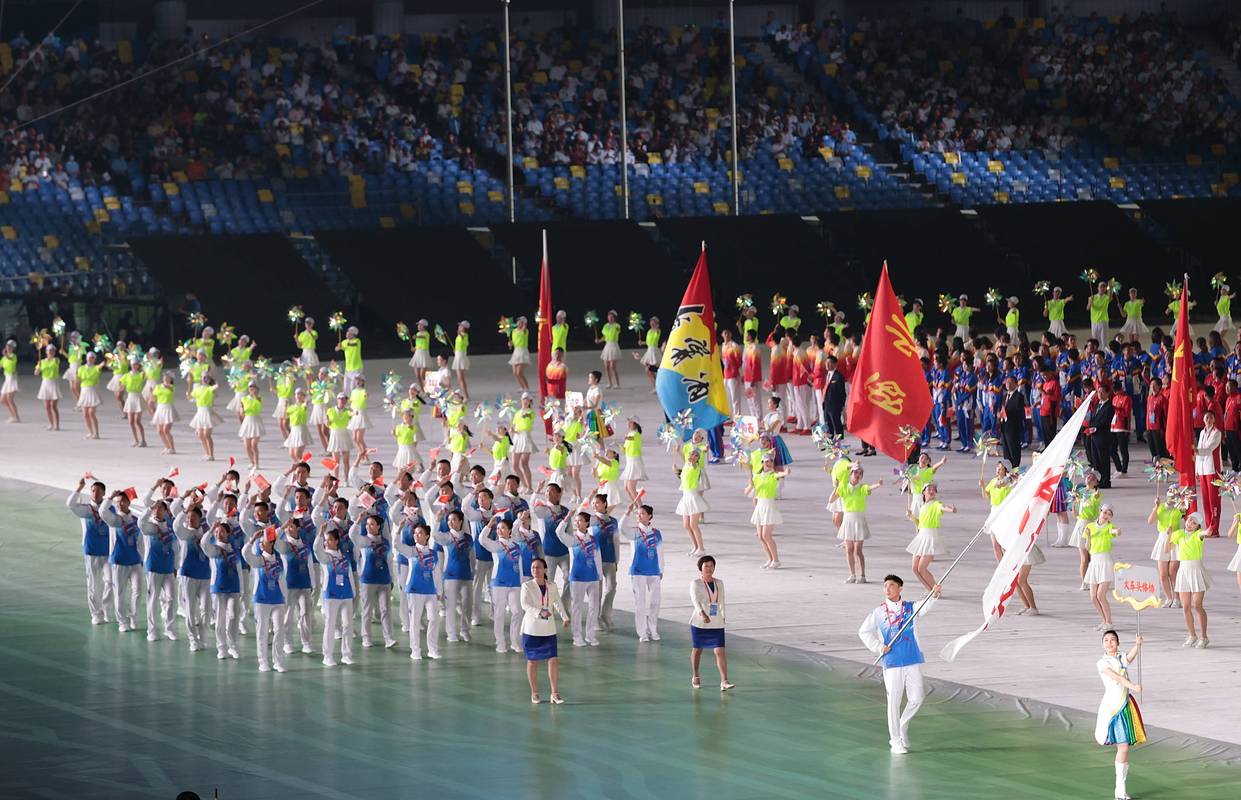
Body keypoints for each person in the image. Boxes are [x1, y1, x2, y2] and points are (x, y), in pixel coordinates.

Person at [858, 575, 941, 755]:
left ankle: (903, 724)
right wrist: (879, 647)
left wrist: (934, 595)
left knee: (917, 697)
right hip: (892, 662)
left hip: (912, 659)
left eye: (892, 585)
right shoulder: (879, 612)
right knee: (893, 702)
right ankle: (895, 741)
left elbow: (924, 606)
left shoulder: (910, 608)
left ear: (900, 588)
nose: (887, 589)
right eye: (885, 586)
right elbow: (863, 632)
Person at [1095, 630, 1146, 800]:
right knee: (1123, 747)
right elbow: (1117, 677)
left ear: (1117, 643)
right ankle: (1120, 791)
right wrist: (1133, 686)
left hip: (1124, 705)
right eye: (1106, 640)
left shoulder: (1119, 657)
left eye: (1113, 640)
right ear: (1103, 644)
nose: (1109, 643)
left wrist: (1137, 646)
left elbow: (1129, 659)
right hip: (1113, 707)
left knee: (1124, 748)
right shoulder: (1102, 663)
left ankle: (1121, 790)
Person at [520, 558, 570, 704]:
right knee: (532, 661)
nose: (535, 570)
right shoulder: (526, 586)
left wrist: (565, 617)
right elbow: (525, 605)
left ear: (545, 569)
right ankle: (534, 693)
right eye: (533, 567)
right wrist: (539, 612)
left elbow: (557, 602)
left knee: (553, 660)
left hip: (548, 629)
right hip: (532, 629)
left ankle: (554, 693)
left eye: (538, 567)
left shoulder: (552, 585)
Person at [242, 526, 289, 672]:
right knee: (262, 631)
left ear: (272, 542)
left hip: (278, 600)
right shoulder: (258, 560)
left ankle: (278, 661)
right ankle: (263, 661)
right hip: (262, 599)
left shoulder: (280, 561)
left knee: (279, 630)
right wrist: (252, 539)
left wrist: (285, 599)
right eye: (261, 542)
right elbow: (245, 553)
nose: (261, 543)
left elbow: (283, 581)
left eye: (264, 541)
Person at [556, 502, 603, 647]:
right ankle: (577, 636)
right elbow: (559, 532)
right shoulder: (573, 539)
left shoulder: (593, 540)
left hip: (593, 578)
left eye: (580, 520)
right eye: (576, 521)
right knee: (577, 607)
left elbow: (597, 558)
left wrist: (600, 576)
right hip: (577, 578)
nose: (577, 522)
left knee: (594, 607)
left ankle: (590, 635)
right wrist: (567, 517)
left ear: (587, 523)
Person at [67, 477, 113, 624]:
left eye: (98, 491)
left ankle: (106, 608)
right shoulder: (86, 509)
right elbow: (71, 504)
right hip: (91, 551)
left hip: (107, 552)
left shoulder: (109, 509)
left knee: (111, 582)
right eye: (93, 490)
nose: (95, 493)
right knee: (93, 584)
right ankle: (95, 613)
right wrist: (79, 488)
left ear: (104, 493)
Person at [617, 500, 664, 642]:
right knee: (640, 603)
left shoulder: (656, 533)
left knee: (655, 602)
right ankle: (642, 632)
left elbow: (660, 552)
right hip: (638, 571)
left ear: (649, 516)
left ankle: (653, 629)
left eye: (642, 513)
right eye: (637, 513)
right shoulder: (634, 532)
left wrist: (661, 569)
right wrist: (627, 513)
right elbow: (621, 528)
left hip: (654, 570)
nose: (639, 515)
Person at [829, 463, 882, 584]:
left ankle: (862, 575)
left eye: (860, 473)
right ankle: (852, 574)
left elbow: (870, 488)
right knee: (849, 549)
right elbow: (831, 500)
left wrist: (878, 484)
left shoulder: (862, 488)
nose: (857, 475)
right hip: (848, 520)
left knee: (858, 550)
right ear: (851, 474)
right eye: (855, 473)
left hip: (859, 519)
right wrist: (836, 487)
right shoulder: (843, 488)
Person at [199, 521, 243, 660]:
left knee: (233, 616)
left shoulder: (234, 551)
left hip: (234, 587)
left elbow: (239, 571)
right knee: (220, 619)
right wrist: (211, 529)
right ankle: (222, 648)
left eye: (222, 531)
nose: (219, 534)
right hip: (218, 588)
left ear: (228, 533)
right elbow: (203, 543)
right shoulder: (214, 549)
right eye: (217, 532)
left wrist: (241, 589)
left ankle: (233, 646)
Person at [689, 555, 734, 691]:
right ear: (700, 569)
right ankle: (696, 675)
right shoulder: (695, 583)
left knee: (720, 650)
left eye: (711, 565)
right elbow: (695, 600)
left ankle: (724, 681)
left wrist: (723, 617)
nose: (709, 568)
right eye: (706, 566)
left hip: (716, 622)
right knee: (697, 650)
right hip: (700, 622)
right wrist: (702, 613)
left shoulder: (719, 583)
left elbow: (722, 601)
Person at [313, 524, 356, 667]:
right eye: (325, 540)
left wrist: (353, 593)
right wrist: (320, 533)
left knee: (348, 625)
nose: (326, 542)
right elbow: (316, 549)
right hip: (331, 595)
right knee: (330, 625)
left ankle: (347, 655)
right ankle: (328, 656)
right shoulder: (325, 557)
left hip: (346, 594)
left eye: (330, 540)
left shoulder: (345, 558)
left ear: (337, 541)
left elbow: (349, 575)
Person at [1168, 512, 1211, 648]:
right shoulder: (1179, 533)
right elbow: (1167, 549)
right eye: (1189, 520)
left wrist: (1208, 530)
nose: (1189, 523)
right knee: (1186, 606)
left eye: (1194, 522)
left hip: (1196, 569)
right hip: (1183, 571)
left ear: (1198, 526)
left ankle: (1203, 637)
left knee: (1197, 605)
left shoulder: (1198, 535)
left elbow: (1205, 533)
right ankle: (1192, 635)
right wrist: (1169, 535)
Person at [906, 483, 956, 593]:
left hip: (930, 538)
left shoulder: (936, 504)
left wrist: (950, 510)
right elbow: (920, 523)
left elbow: (942, 507)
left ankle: (936, 590)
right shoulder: (923, 506)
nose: (932, 491)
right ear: (923, 492)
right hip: (921, 538)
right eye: (929, 489)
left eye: (934, 489)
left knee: (921, 568)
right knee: (915, 568)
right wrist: (911, 517)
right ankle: (929, 590)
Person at [745, 452, 789, 569]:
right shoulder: (757, 476)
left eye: (770, 461)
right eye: (766, 461)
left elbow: (781, 474)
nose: (769, 463)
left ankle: (776, 560)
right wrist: (750, 485)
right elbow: (746, 492)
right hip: (760, 507)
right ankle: (770, 559)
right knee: (760, 536)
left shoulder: (773, 475)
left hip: (769, 506)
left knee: (766, 535)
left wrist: (786, 472)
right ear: (762, 463)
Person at [1084, 505, 1121, 629]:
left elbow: (1114, 532)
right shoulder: (1089, 526)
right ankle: (1104, 621)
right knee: (1093, 597)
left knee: (1100, 595)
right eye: (1104, 512)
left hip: (1105, 562)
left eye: (1109, 514)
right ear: (1100, 512)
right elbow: (1087, 547)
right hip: (1094, 562)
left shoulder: (1110, 527)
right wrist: (1089, 536)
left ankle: (1109, 622)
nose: (1106, 515)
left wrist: (1117, 531)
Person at [1146, 492, 1182, 607]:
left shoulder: (1179, 508)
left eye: (1174, 496)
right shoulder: (1160, 507)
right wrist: (1156, 506)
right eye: (1170, 496)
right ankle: (1168, 598)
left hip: (1174, 540)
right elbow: (1150, 521)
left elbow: (1177, 522)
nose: (1172, 498)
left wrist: (1171, 529)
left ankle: (1177, 598)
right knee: (1163, 574)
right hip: (1162, 540)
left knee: (1173, 572)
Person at [1195, 410, 1222, 535]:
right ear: (1203, 420)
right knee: (1205, 500)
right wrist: (1196, 469)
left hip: (1213, 469)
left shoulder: (1217, 433)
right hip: (1202, 470)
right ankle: (1208, 527)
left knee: (1214, 500)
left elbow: (1209, 448)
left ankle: (1214, 527)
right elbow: (1200, 453)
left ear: (1214, 420)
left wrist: (1195, 450)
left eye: (1211, 418)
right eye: (1206, 418)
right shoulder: (1201, 433)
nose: (1208, 420)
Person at [999, 376, 1026, 467]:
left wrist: (1007, 413)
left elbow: (1019, 411)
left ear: (1015, 384)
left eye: (1010, 382)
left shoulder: (1019, 396)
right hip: (1004, 426)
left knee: (1013, 449)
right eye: (1007, 383)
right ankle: (1009, 468)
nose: (1008, 385)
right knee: (1006, 450)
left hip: (1013, 427)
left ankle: (1015, 468)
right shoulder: (1005, 395)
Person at [35, 343, 62, 431]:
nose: (50, 352)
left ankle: (57, 424)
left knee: (53, 406)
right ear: (46, 352)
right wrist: (38, 367)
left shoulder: (56, 360)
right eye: (48, 350)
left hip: (53, 382)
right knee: (47, 406)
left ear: (54, 352)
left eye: (52, 350)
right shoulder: (41, 362)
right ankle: (51, 423)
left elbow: (56, 363)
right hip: (45, 383)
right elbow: (36, 373)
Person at [598, 309, 622, 388]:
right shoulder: (605, 326)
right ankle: (609, 383)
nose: (610, 318)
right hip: (607, 346)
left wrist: (616, 328)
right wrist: (599, 340)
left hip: (614, 346)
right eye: (609, 317)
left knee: (612, 366)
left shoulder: (617, 325)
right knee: (606, 366)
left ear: (614, 318)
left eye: (612, 317)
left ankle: (617, 383)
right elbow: (604, 337)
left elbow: (618, 330)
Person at [507, 316, 531, 390]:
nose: (518, 323)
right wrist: (510, 344)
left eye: (521, 322)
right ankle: (522, 387)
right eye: (518, 321)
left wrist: (524, 325)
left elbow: (523, 330)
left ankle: (527, 388)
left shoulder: (525, 331)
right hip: (516, 352)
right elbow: (513, 344)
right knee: (515, 372)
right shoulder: (514, 331)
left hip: (523, 352)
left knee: (519, 372)